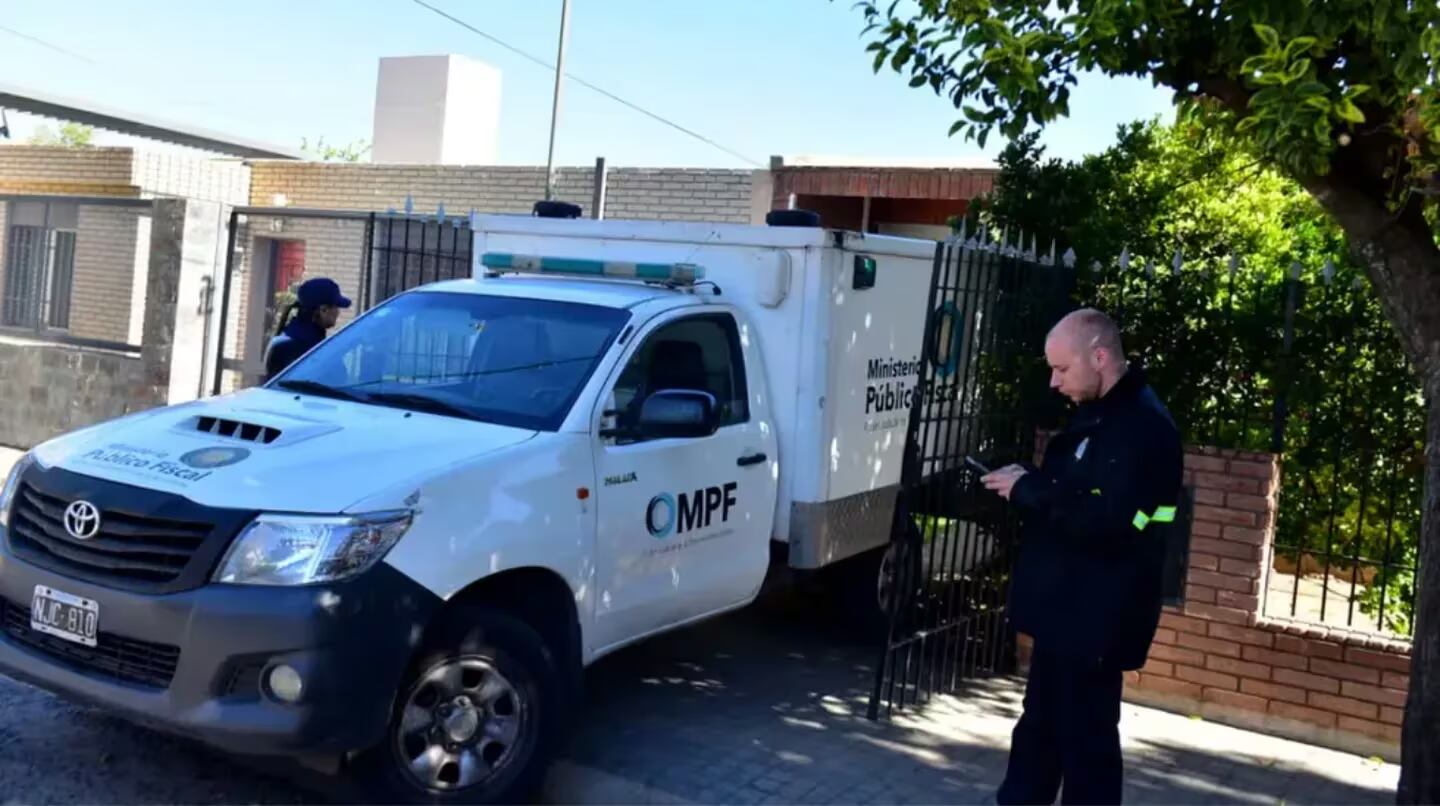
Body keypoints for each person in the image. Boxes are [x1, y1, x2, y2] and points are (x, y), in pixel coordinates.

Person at [981, 308, 1183, 805]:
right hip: (1066, 612)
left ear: (1099, 356)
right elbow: (1082, 492)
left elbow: (1112, 519)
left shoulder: (1143, 428)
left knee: (1085, 747)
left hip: (1097, 618)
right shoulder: (1103, 415)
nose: (1054, 382)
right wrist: (1030, 481)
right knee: (1039, 734)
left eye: (1062, 369)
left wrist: (1032, 492)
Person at [263, 277, 351, 382]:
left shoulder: (286, 337)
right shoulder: (310, 348)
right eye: (336, 307)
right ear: (323, 310)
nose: (338, 312)